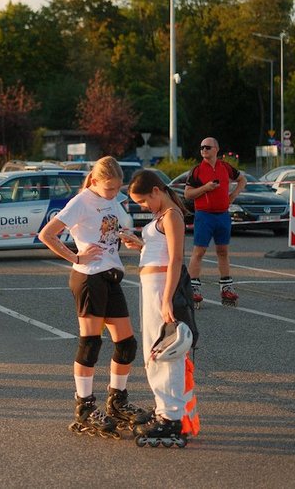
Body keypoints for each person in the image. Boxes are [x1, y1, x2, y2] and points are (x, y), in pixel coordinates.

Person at [38, 156, 150, 437]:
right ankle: (85, 406)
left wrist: (128, 237)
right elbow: (47, 235)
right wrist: (75, 255)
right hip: (88, 277)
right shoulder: (81, 201)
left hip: (112, 275)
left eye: (117, 189)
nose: (114, 194)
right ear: (96, 181)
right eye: (109, 188)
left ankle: (117, 400)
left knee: (127, 345)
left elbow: (113, 226)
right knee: (90, 344)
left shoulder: (114, 199)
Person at [125, 170, 200, 446]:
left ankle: (172, 416)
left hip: (160, 287)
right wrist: (140, 245)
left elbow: (176, 257)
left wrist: (167, 297)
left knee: (165, 349)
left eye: (144, 201)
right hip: (152, 284)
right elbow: (161, 250)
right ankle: (164, 408)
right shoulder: (162, 217)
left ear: (157, 191)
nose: (143, 206)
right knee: (154, 349)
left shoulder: (172, 216)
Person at [184, 137, 246, 307]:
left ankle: (226, 286)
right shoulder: (197, 170)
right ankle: (193, 287)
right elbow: (187, 194)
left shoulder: (225, 167)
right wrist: (205, 188)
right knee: (199, 251)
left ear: (216, 149)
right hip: (204, 215)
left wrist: (232, 196)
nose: (204, 150)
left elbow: (242, 179)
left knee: (223, 251)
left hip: (223, 215)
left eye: (208, 147)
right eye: (202, 147)